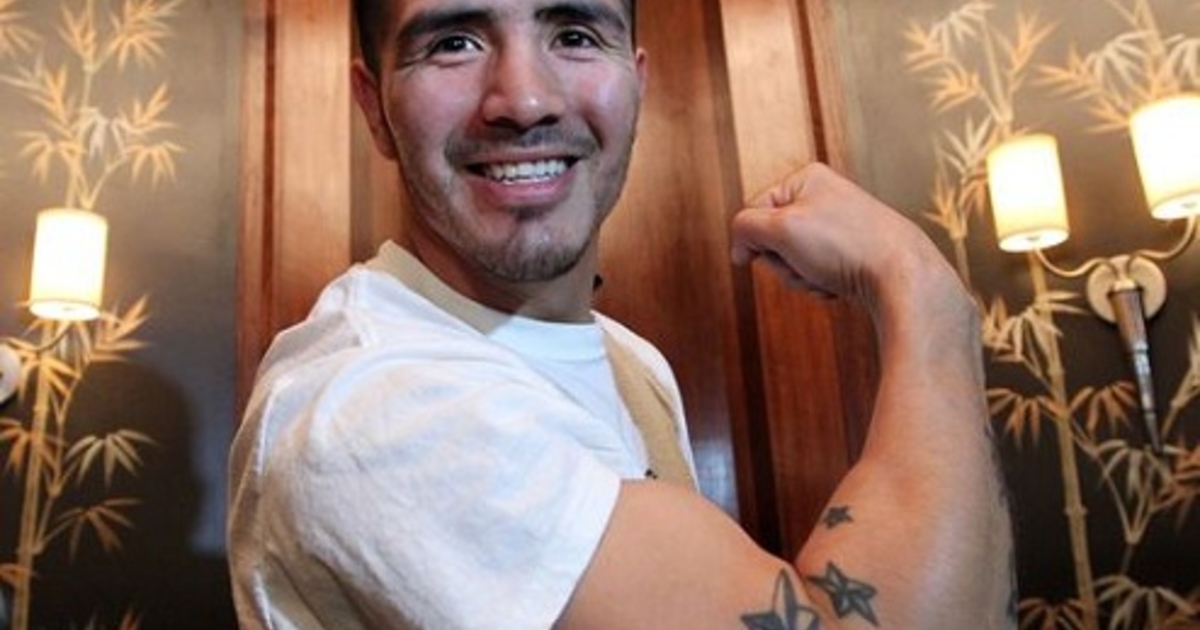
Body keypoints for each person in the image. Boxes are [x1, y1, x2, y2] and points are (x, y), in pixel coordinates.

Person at [227, 0, 1016, 628]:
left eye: (574, 33)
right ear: (374, 106)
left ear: (635, 84)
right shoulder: (372, 406)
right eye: (454, 43)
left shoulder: (633, 361)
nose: (524, 100)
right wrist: (921, 289)